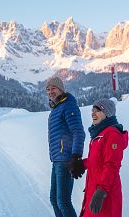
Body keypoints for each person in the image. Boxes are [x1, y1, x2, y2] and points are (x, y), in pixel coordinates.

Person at [77, 98, 128, 217]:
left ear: (107, 113)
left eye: (98, 110)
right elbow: (97, 160)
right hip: (93, 190)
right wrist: (82, 164)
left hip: (105, 194)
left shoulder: (112, 134)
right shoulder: (98, 134)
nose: (93, 113)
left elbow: (111, 165)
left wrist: (101, 191)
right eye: (92, 110)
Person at [46, 76, 86, 217]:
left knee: (63, 201)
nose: (50, 92)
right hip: (57, 159)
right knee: (55, 200)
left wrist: (76, 157)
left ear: (61, 90)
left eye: (53, 88)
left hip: (66, 159)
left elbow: (78, 132)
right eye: (48, 89)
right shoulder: (56, 108)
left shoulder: (68, 105)